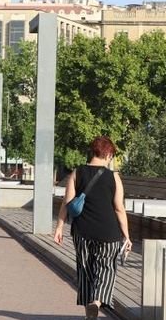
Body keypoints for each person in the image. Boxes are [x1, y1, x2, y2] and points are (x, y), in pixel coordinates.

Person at [53, 136, 131, 320]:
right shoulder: (113, 177)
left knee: (86, 269)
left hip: (82, 232)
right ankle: (96, 302)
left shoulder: (76, 173)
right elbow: (119, 208)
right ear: (108, 154)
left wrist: (59, 227)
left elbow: (67, 203)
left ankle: (89, 306)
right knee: (105, 269)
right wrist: (126, 236)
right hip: (108, 233)